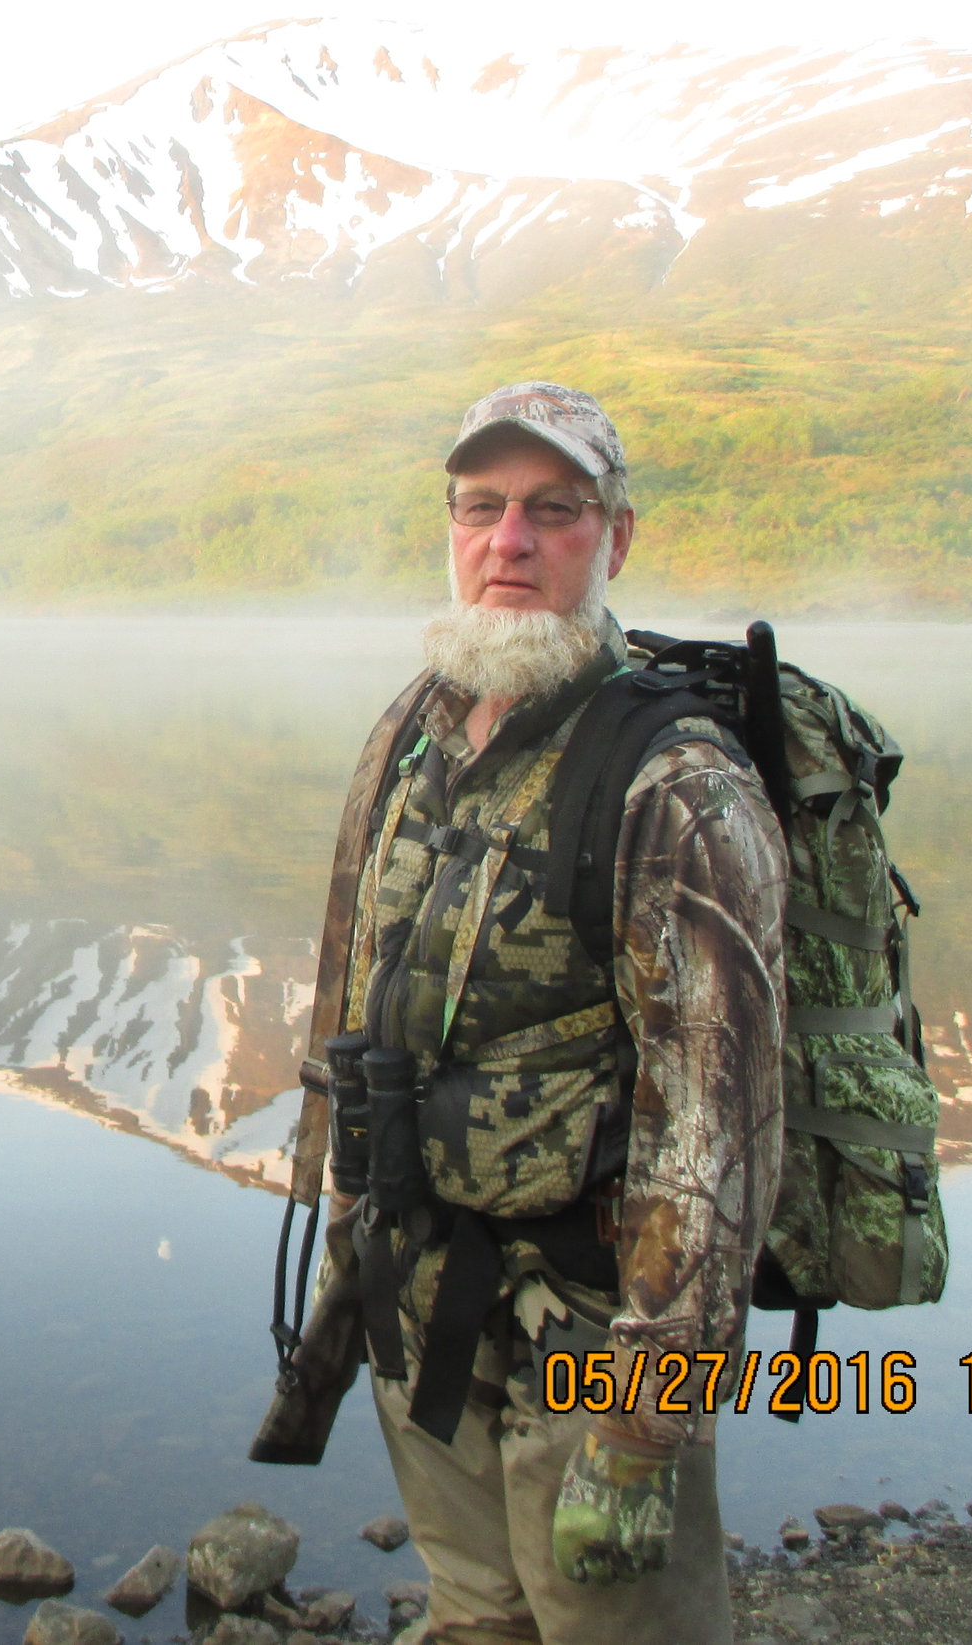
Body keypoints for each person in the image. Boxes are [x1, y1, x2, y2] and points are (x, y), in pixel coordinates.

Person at [331, 382, 786, 1644]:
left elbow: (718, 1133)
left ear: (615, 538)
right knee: (474, 1620)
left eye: (552, 511)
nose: (509, 543)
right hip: (421, 1306)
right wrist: (343, 1232)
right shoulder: (412, 733)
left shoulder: (678, 784)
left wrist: (645, 1431)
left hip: (591, 1341)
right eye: (480, 509)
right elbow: (351, 998)